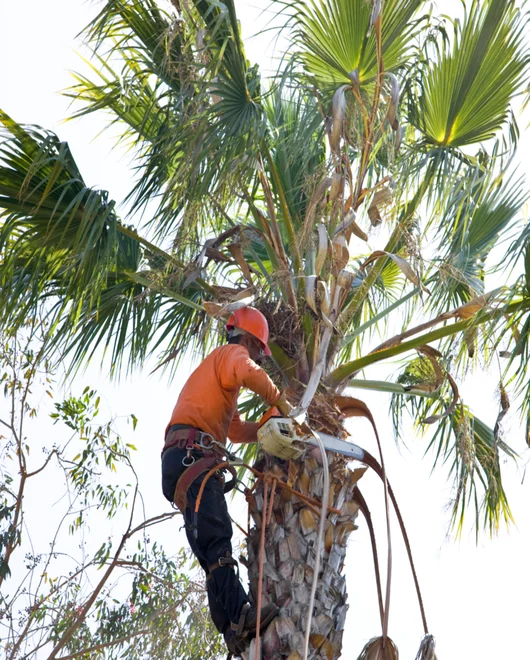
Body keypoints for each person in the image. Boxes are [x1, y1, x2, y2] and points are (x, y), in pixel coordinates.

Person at [161, 307, 284, 656]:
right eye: (259, 350)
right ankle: (243, 614)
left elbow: (234, 430)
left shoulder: (217, 380)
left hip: (180, 461)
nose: (257, 356)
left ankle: (231, 629)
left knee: (211, 554)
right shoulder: (233, 354)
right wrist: (279, 401)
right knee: (218, 542)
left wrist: (264, 428)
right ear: (248, 339)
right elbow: (248, 370)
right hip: (194, 457)